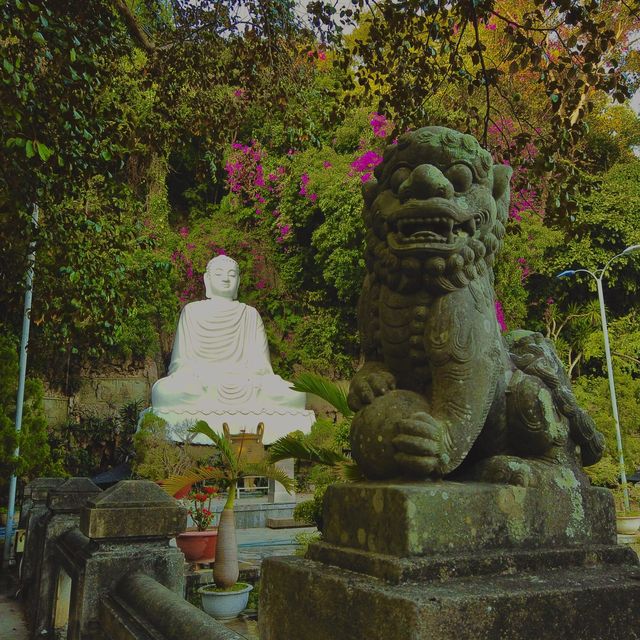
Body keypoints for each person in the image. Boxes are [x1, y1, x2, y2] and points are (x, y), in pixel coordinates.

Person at [151, 255, 305, 413]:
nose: (225, 279)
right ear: (207, 279)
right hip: (201, 381)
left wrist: (252, 376)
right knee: (164, 392)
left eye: (231, 275)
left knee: (295, 395)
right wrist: (198, 375)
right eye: (218, 274)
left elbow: (261, 365)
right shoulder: (192, 312)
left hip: (245, 382)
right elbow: (181, 363)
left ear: (238, 281)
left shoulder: (250, 315)